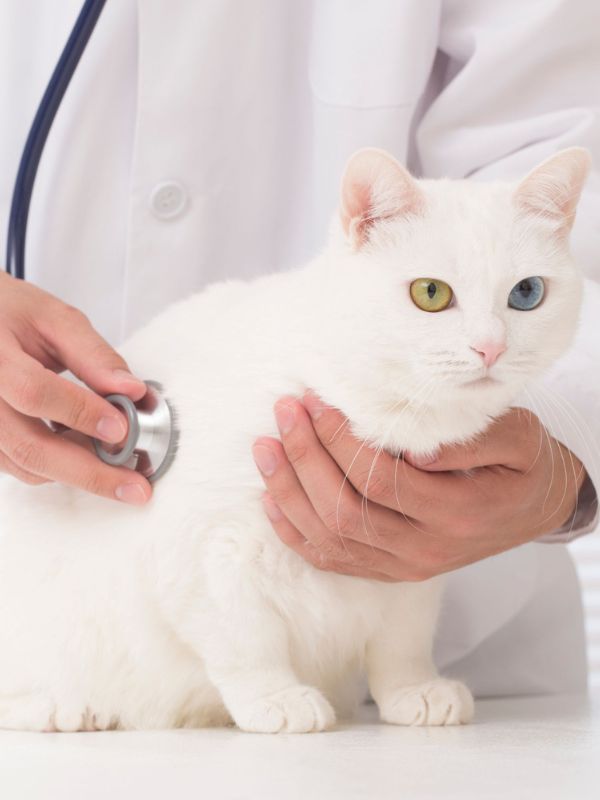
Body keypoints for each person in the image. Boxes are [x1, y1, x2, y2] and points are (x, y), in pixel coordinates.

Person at [1, 0, 598, 696]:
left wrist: (565, 466)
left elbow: (566, 197)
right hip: (66, 648)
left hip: (473, 664)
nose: (487, 343)